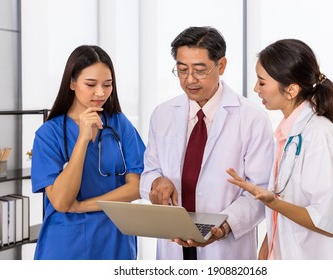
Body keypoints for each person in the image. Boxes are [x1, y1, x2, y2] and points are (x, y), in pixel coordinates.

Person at [140, 26, 274, 260]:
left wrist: (223, 227)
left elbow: (260, 192)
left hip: (224, 248)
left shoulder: (251, 118)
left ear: (221, 66)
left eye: (200, 70)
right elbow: (149, 172)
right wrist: (156, 182)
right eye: (182, 70)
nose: (190, 79)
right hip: (173, 246)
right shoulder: (162, 115)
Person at [227, 39, 333, 260]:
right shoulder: (288, 136)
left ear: (291, 90)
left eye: (262, 82)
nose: (255, 89)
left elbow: (327, 220)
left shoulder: (319, 136)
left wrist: (272, 202)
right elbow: (284, 211)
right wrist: (265, 254)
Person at [31, 45, 145, 260]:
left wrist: (84, 206)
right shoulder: (49, 134)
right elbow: (62, 202)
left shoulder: (119, 125)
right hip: (65, 245)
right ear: (72, 82)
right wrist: (82, 140)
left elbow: (138, 187)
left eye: (108, 84)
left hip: (115, 239)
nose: (101, 92)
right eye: (91, 84)